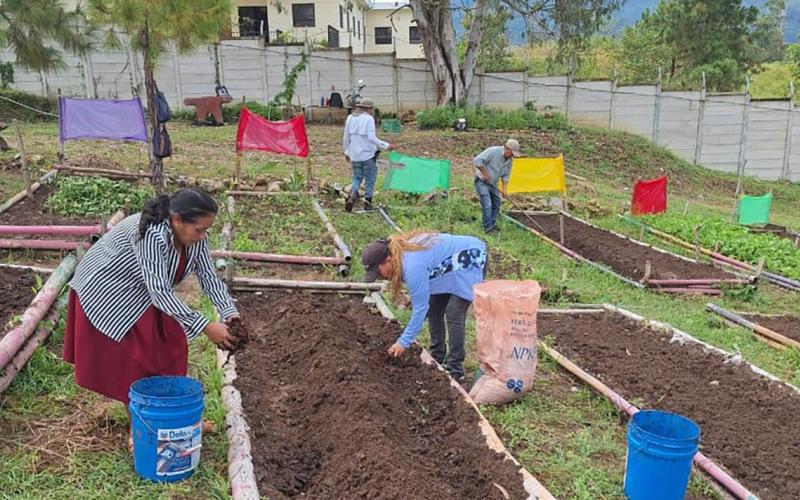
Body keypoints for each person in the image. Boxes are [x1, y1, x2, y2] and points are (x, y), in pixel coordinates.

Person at [63, 189, 239, 450]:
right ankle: (141, 431)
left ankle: (173, 420)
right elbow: (158, 292)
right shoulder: (153, 235)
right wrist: (205, 325)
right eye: (199, 229)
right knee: (135, 362)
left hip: (141, 290)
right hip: (107, 288)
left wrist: (229, 313)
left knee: (171, 347)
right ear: (177, 220)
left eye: (206, 230)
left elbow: (209, 278)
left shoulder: (195, 237)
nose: (203, 236)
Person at [362, 231, 487, 380]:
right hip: (446, 266)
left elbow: (420, 309)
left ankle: (455, 369)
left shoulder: (412, 267)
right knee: (434, 309)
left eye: (379, 271)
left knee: (453, 313)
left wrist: (404, 341)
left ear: (388, 260)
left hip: (470, 258)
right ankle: (437, 356)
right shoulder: (400, 257)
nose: (380, 276)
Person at [342, 97, 393, 212]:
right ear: (368, 109)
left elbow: (346, 137)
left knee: (356, 177)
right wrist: (386, 145)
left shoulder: (350, 118)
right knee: (370, 179)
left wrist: (346, 151)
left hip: (354, 155)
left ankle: (351, 197)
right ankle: (367, 204)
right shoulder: (369, 119)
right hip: (368, 155)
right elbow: (371, 137)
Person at [473, 138, 522, 233]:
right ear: (506, 148)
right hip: (482, 182)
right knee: (487, 205)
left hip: (493, 184)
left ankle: (492, 224)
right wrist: (484, 173)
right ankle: (487, 228)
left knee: (497, 203)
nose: (511, 156)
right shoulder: (493, 151)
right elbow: (477, 160)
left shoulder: (509, 161)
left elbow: (506, 175)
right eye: (511, 153)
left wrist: (504, 190)